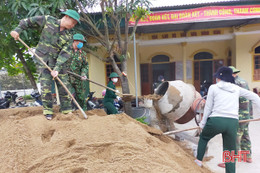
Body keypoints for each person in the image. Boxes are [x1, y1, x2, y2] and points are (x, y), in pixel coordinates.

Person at [10, 9, 81, 120]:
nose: (73, 25)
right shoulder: (48, 20)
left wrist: (56, 69)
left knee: (63, 84)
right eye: (73, 22)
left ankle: (66, 110)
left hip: (58, 62)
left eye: (75, 24)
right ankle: (48, 111)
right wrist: (17, 30)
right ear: (66, 17)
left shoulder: (68, 36)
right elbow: (28, 21)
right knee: (46, 85)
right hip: (42, 58)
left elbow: (64, 54)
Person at [194, 66, 260, 173]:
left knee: (204, 138)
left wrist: (202, 123)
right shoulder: (237, 89)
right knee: (230, 151)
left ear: (219, 78)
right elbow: (255, 97)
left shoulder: (213, 88)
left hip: (216, 121)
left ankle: (198, 161)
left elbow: (208, 107)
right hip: (232, 123)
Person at [218, 66, 253, 168]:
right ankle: (248, 156)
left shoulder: (232, 84)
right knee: (245, 134)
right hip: (246, 114)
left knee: (233, 138)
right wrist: (250, 114)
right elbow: (250, 98)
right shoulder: (244, 82)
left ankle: (229, 161)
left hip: (237, 115)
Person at [69, 33, 89, 111]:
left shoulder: (82, 54)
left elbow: (85, 65)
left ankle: (83, 111)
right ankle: (66, 112)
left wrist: (83, 74)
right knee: (66, 96)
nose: (82, 44)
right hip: (66, 77)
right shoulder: (66, 51)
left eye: (82, 42)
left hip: (78, 78)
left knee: (81, 96)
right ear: (75, 41)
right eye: (81, 42)